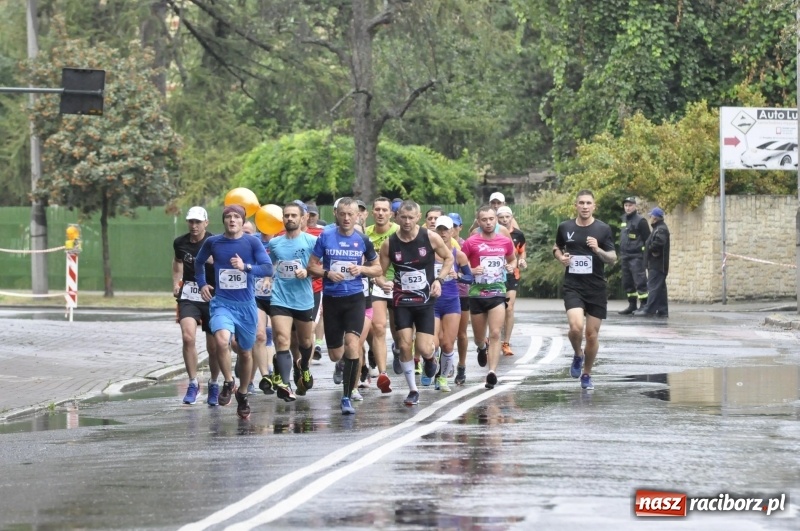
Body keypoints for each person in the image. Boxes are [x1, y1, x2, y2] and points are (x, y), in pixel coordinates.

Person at [195, 204, 274, 419]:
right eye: (228, 217)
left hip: (246, 306)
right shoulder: (213, 242)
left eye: (236, 217)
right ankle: (229, 381)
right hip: (222, 303)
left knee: (245, 353)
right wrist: (202, 284)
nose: (232, 220)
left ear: (242, 221)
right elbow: (198, 262)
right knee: (222, 341)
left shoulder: (252, 242)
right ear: (223, 221)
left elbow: (268, 268)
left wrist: (245, 267)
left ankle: (243, 393)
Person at [307, 197, 382, 415]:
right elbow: (311, 266)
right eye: (343, 214)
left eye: (351, 214)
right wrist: (327, 273)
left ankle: (347, 395)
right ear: (336, 215)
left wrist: (362, 270)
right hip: (332, 299)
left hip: (355, 299)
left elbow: (377, 268)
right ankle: (343, 364)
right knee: (335, 354)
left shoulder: (363, 240)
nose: (347, 218)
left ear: (358, 216)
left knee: (352, 344)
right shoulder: (326, 237)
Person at [378, 200, 454, 406]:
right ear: (396, 217)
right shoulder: (389, 243)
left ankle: (430, 359)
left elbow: (448, 258)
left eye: (411, 218)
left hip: (425, 300)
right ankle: (413, 389)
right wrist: (383, 283)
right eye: (403, 217)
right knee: (404, 345)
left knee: (425, 347)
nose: (407, 221)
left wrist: (439, 280)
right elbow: (379, 272)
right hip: (401, 301)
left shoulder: (429, 237)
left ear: (418, 218)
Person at [553, 190, 616, 391]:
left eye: (589, 203)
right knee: (575, 328)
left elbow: (613, 258)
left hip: (596, 288)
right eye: (581, 203)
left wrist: (597, 249)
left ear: (594, 206)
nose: (585, 206)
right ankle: (578, 354)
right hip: (573, 286)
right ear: (576, 206)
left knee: (591, 335)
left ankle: (587, 374)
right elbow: (557, 247)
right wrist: (560, 257)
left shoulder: (603, 229)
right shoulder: (565, 227)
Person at [461, 205, 516, 390]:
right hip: (476, 294)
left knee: (495, 333)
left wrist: (511, 266)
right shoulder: (471, 242)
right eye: (484, 220)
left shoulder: (504, 241)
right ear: (478, 221)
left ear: (496, 220)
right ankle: (481, 347)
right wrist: (471, 270)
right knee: (479, 337)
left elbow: (512, 259)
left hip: (497, 292)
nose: (488, 223)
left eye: (491, 219)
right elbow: (459, 263)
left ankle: (492, 372)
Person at [268, 203, 319, 399]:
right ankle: (285, 384)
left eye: (293, 215)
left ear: (302, 218)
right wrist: (266, 278)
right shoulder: (275, 243)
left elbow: (321, 267)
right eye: (286, 215)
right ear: (282, 218)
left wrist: (307, 271)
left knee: (305, 342)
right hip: (280, 297)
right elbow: (270, 265)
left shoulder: (312, 241)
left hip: (303, 299)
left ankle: (303, 366)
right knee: (282, 339)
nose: (290, 218)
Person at [172, 206, 220, 406]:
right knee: (188, 337)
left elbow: (225, 266)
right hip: (189, 295)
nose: (194, 226)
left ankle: (214, 383)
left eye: (198, 222)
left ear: (206, 223)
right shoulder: (180, 242)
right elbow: (177, 262)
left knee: (214, 347)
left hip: (211, 296)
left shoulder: (215, 242)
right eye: (191, 221)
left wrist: (213, 261)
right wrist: (176, 282)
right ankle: (193, 383)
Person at [431, 215, 473, 392]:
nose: (442, 233)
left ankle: (442, 378)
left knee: (448, 344)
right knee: (433, 344)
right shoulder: (428, 254)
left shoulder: (458, 255)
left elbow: (470, 278)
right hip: (432, 302)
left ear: (452, 232)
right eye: (439, 229)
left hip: (451, 301)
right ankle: (429, 366)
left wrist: (459, 276)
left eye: (446, 230)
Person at [364, 197, 399, 393]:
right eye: (377, 209)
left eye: (384, 210)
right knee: (378, 327)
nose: (380, 213)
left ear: (391, 214)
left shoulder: (398, 232)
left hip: (399, 284)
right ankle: (383, 374)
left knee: (399, 329)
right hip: (376, 284)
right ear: (372, 212)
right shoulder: (366, 234)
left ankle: (399, 348)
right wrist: (378, 279)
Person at [496, 205, 526, 356]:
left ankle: (506, 343)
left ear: (512, 217)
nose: (504, 220)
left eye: (507, 217)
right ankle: (493, 339)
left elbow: (522, 252)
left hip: (511, 274)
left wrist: (522, 261)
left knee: (509, 308)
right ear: (497, 219)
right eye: (501, 217)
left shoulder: (518, 234)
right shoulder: (491, 233)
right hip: (494, 275)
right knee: (494, 308)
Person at [634, 208, 671, 318]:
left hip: (657, 264)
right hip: (657, 264)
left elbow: (658, 243)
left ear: (655, 218)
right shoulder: (658, 228)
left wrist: (650, 248)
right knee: (660, 288)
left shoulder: (660, 229)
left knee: (653, 287)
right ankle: (663, 310)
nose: (650, 218)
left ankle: (649, 310)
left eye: (651, 216)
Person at [618, 197, 651, 315]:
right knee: (627, 282)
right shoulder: (624, 219)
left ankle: (644, 305)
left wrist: (644, 255)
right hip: (625, 256)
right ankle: (632, 305)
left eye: (630, 205)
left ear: (635, 206)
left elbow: (648, 239)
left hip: (637, 256)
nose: (628, 208)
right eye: (626, 205)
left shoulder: (641, 221)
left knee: (640, 281)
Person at [450, 212, 471, 385]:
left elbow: (471, 269)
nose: (451, 229)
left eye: (455, 226)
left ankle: (462, 365)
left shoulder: (465, 245)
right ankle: (444, 364)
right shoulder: (436, 244)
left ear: (460, 228)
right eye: (448, 226)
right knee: (443, 335)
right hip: (442, 293)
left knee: (461, 333)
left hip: (462, 292)